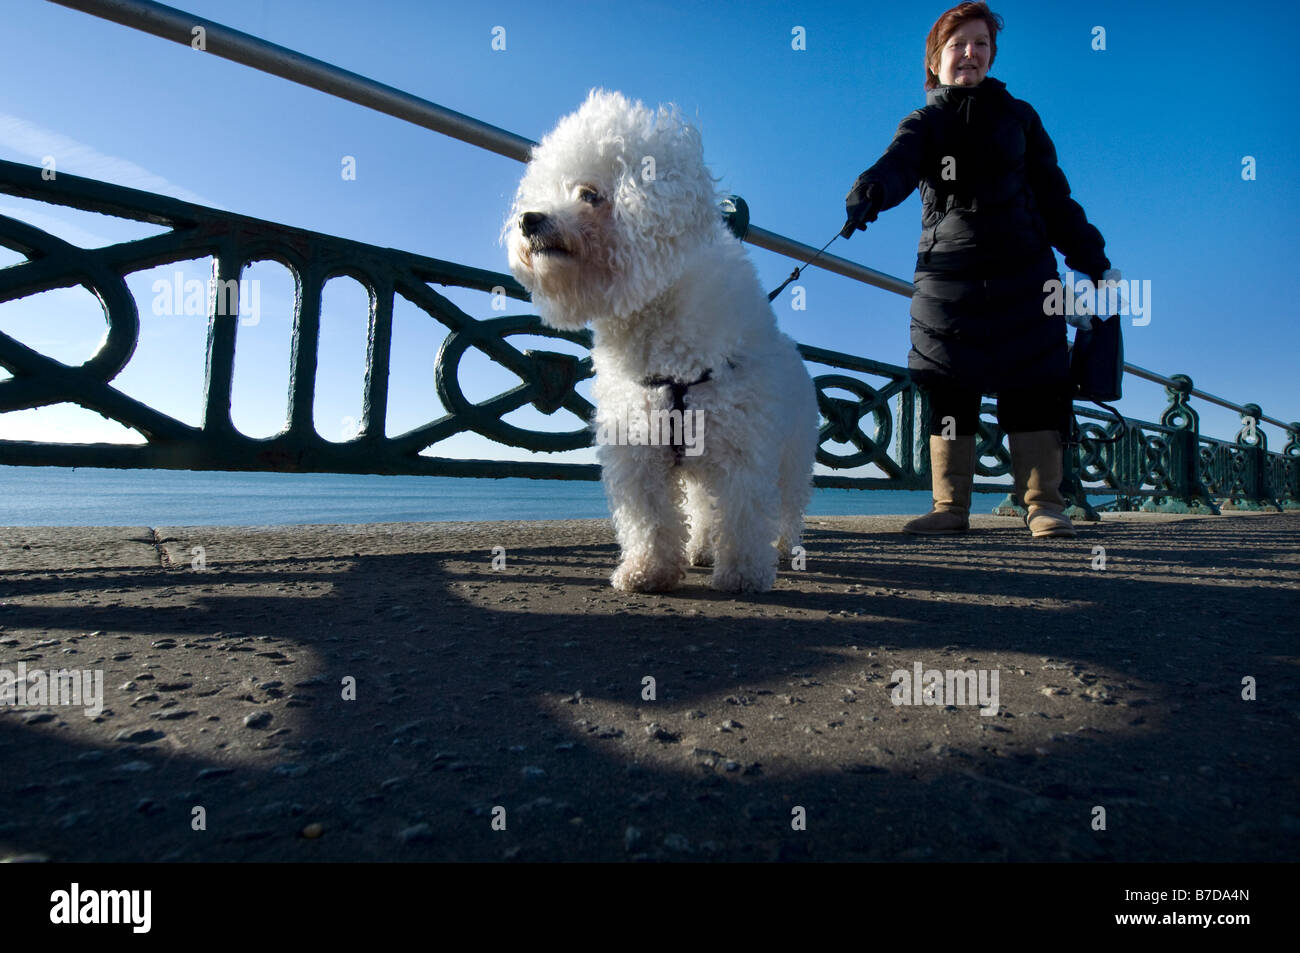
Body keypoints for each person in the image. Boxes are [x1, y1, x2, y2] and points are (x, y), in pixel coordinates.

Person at [842, 1, 1115, 538]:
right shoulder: (924, 121)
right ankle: (950, 507)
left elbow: (1055, 197)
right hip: (949, 281)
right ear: (936, 59)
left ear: (991, 56)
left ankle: (1042, 504)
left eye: (981, 44)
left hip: (1027, 277)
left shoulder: (1020, 117)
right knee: (948, 387)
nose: (970, 53)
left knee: (1036, 384)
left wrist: (1092, 257)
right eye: (958, 44)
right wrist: (871, 190)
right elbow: (898, 163)